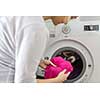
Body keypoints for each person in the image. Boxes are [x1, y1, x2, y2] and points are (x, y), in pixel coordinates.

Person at [0, 16, 74, 83]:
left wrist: (39, 61)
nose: (66, 22)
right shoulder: (37, 28)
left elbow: (9, 48)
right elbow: (24, 82)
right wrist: (56, 81)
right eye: (71, 17)